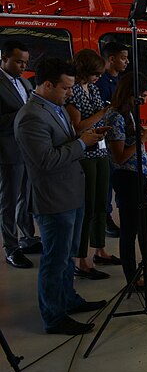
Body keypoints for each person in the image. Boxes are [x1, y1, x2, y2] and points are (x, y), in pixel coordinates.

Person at [14, 58, 106, 335]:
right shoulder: (31, 117)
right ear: (47, 84)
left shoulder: (56, 108)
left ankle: (67, 299)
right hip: (53, 198)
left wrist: (86, 136)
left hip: (71, 191)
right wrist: (81, 143)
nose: (70, 93)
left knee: (67, 256)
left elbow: (66, 141)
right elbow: (46, 160)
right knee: (55, 259)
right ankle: (54, 316)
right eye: (66, 88)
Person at [104, 73, 147, 290]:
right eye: (141, 97)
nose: (145, 102)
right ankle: (131, 277)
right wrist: (145, 137)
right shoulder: (115, 116)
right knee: (129, 229)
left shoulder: (129, 113)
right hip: (127, 176)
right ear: (128, 94)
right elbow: (119, 156)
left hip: (140, 174)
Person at [65, 49, 115, 280]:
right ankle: (80, 258)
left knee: (100, 204)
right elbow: (78, 126)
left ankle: (99, 248)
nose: (98, 78)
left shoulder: (93, 89)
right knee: (86, 206)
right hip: (85, 153)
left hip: (101, 149)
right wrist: (102, 113)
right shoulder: (73, 91)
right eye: (95, 74)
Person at [0, 40, 42, 268]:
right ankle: (11, 247)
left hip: (28, 150)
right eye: (18, 62)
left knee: (26, 197)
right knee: (8, 200)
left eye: (25, 62)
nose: (22, 66)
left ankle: (27, 237)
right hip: (8, 152)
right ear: (4, 58)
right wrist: (22, 114)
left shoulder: (25, 83)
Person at [96, 41, 128, 239]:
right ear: (111, 59)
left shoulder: (121, 81)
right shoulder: (100, 83)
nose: (126, 62)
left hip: (120, 133)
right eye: (123, 58)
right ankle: (105, 216)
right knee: (106, 179)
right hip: (105, 138)